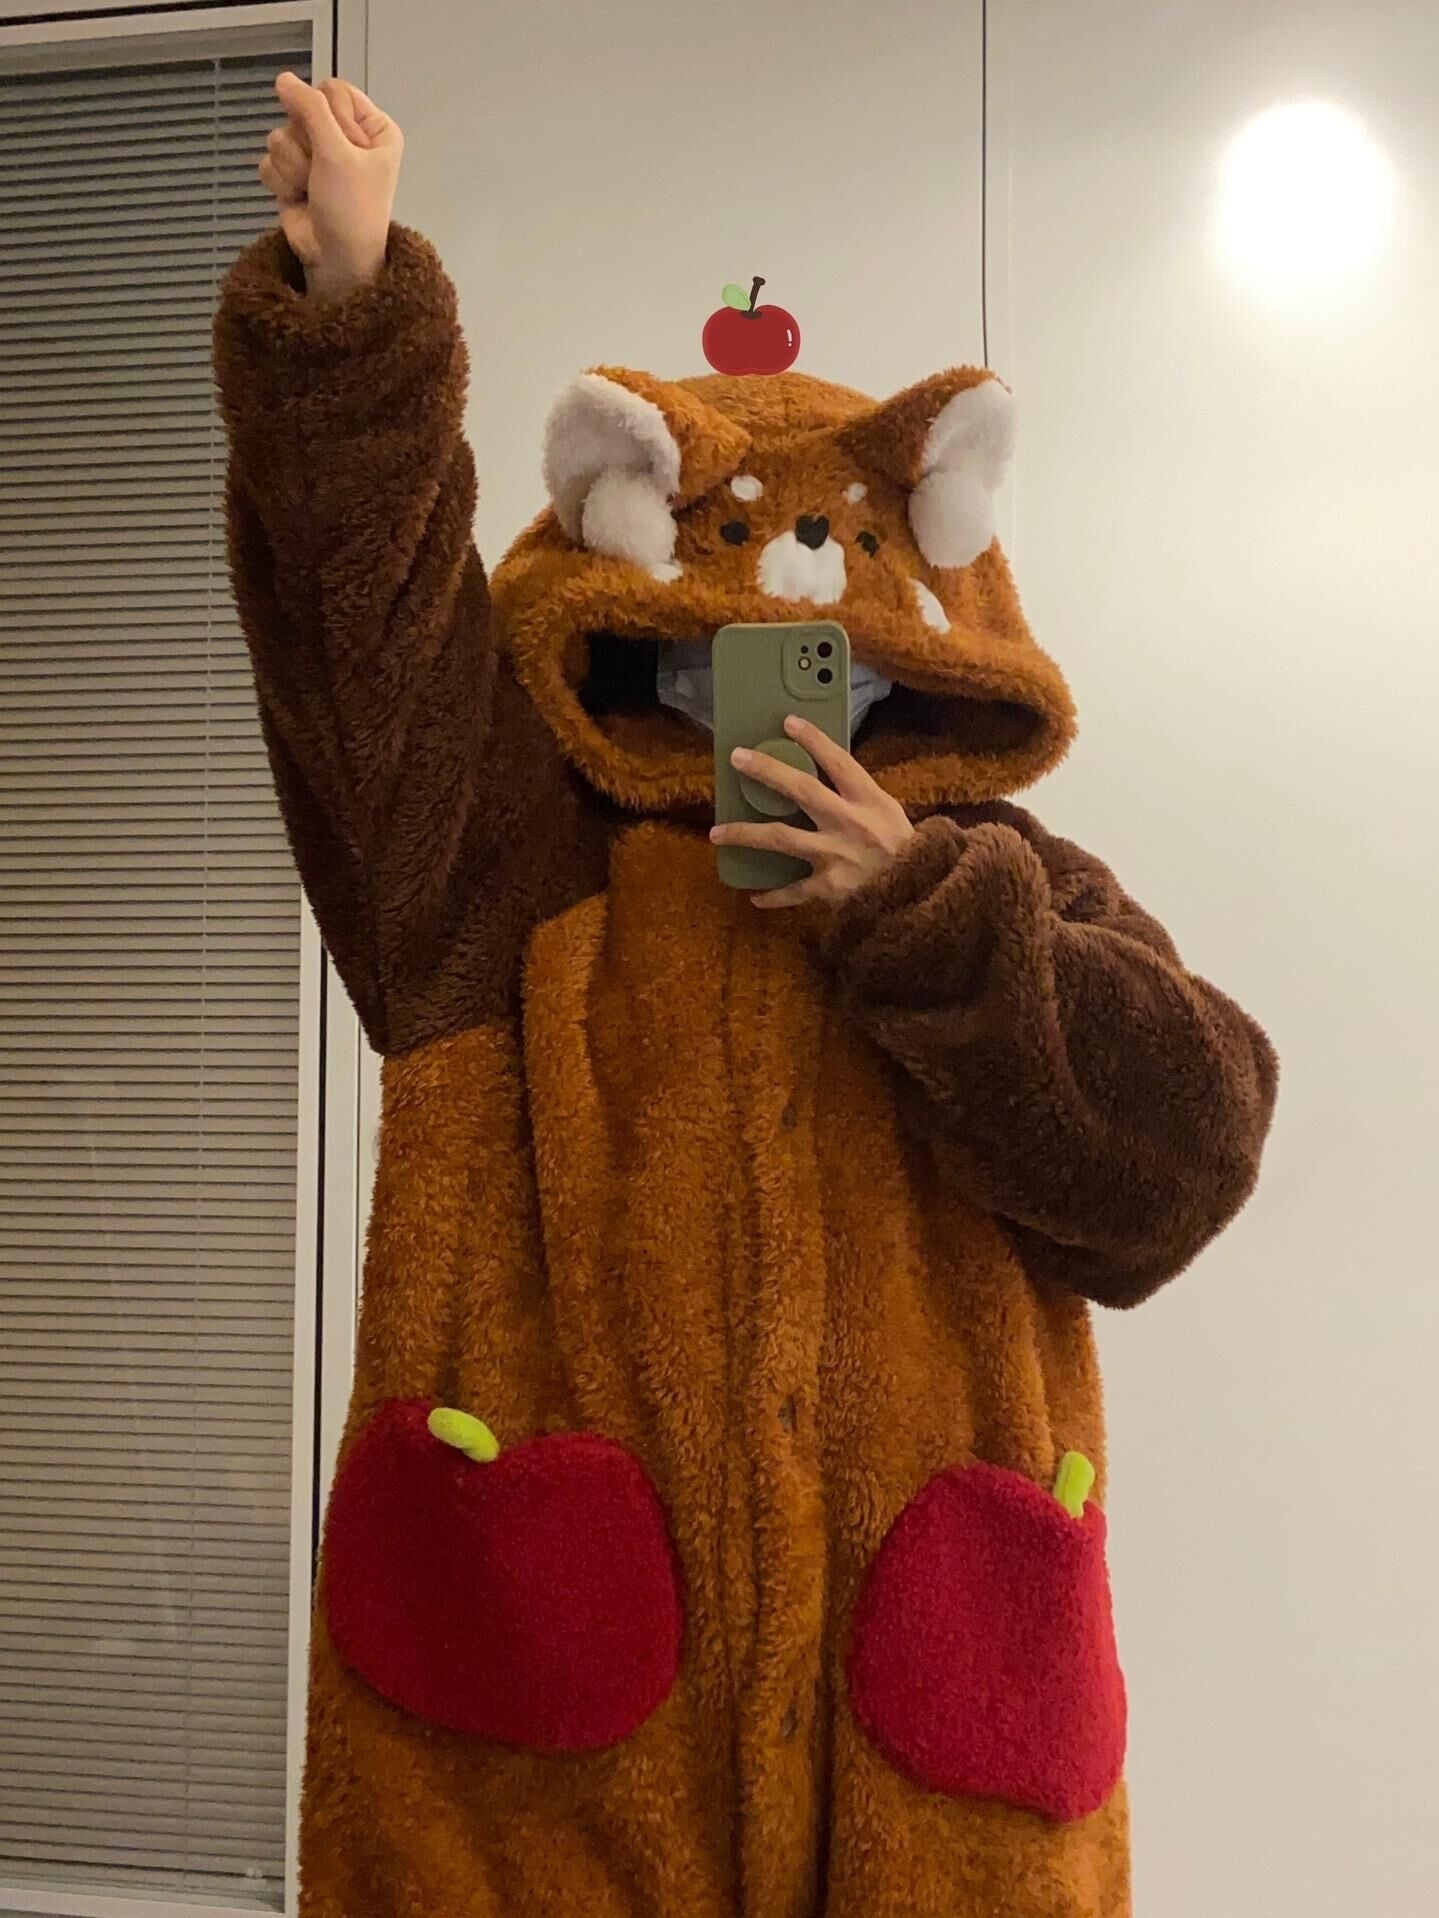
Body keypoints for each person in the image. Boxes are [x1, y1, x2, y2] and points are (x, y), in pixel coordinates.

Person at [214, 69, 1278, 1918]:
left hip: (928, 1760)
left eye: (831, 668)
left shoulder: (1009, 886)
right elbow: (361, 645)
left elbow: (1187, 1158)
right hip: (556, 1764)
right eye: (703, 664)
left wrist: (922, 908)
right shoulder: (502, 872)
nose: (771, 703)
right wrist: (355, 314)